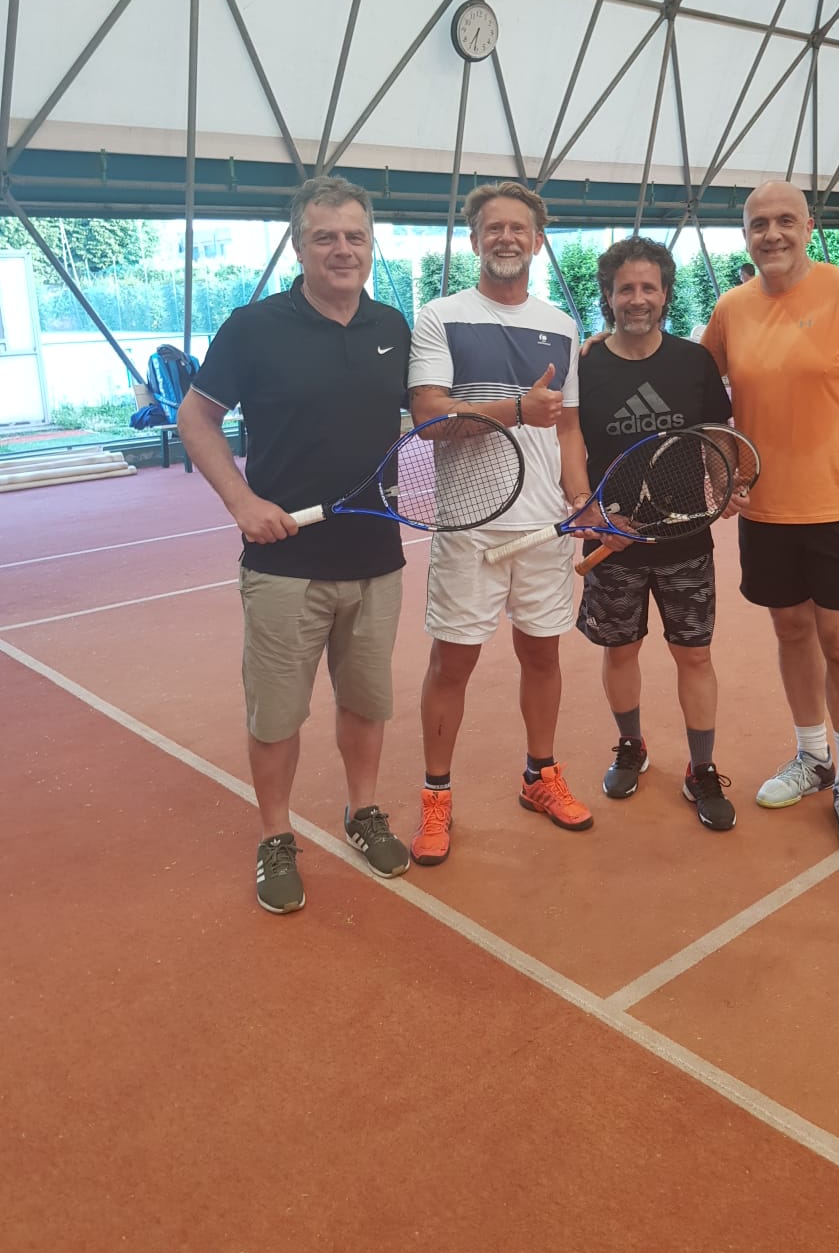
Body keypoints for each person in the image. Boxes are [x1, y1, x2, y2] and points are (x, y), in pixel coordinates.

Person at [176, 176, 412, 913]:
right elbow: (196, 417)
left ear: (369, 244)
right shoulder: (253, 327)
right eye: (324, 237)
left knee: (366, 704)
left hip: (376, 560)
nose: (342, 249)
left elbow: (431, 413)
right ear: (298, 246)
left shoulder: (393, 325)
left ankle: (363, 810)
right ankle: (276, 835)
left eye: (354, 236)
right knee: (277, 716)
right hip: (284, 567)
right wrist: (242, 502)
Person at [698, 181, 839, 854]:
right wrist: (720, 470)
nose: (773, 234)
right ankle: (812, 756)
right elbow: (696, 392)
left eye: (785, 220)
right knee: (790, 630)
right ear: (746, 236)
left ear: (809, 226)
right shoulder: (731, 308)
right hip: (765, 510)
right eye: (759, 224)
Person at [406, 180, 595, 865]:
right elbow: (429, 418)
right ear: (474, 239)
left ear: (537, 241)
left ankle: (539, 776)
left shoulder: (562, 325)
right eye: (494, 228)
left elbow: (568, 428)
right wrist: (515, 409)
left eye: (519, 228)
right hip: (469, 525)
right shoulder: (440, 316)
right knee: (452, 663)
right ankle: (436, 797)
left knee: (542, 655)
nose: (506, 237)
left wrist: (582, 499)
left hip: (544, 527)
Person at [576, 237, 745, 830]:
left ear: (665, 294)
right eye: (626, 288)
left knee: (693, 655)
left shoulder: (693, 362)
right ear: (609, 295)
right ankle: (632, 746)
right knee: (620, 650)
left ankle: (702, 768)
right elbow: (568, 444)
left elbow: (716, 432)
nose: (638, 298)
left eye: (649, 287)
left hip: (686, 541)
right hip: (611, 542)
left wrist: (726, 485)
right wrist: (593, 511)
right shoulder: (585, 365)